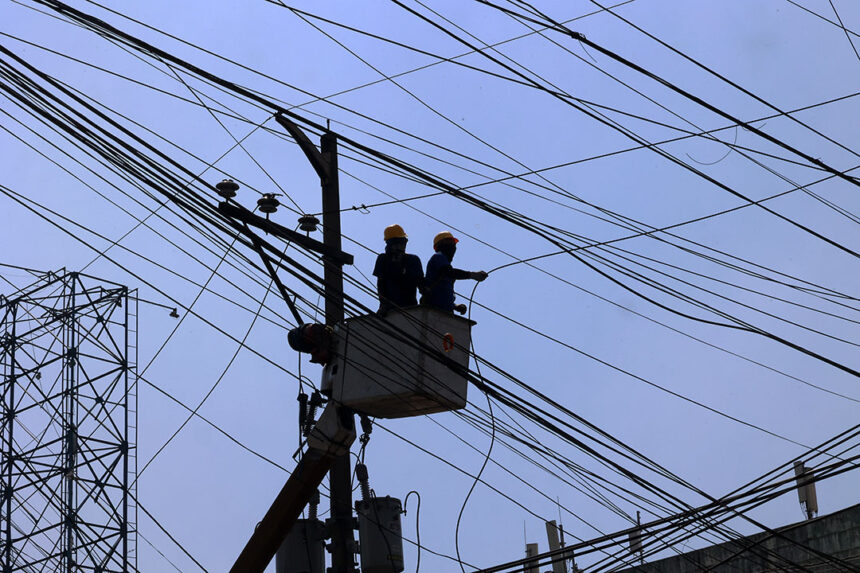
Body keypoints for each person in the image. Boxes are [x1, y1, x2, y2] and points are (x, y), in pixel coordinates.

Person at [422, 231, 487, 314]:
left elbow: (443, 292)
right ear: (441, 245)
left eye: (454, 244)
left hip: (444, 311)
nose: (453, 246)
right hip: (433, 309)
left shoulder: (444, 265)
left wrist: (455, 306)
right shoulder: (438, 257)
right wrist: (472, 275)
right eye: (449, 242)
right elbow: (449, 272)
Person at [373, 224, 424, 315]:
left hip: (410, 309)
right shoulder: (383, 259)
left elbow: (421, 284)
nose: (403, 245)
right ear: (391, 244)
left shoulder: (412, 260)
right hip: (390, 309)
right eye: (401, 242)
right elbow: (380, 284)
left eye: (404, 242)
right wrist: (384, 304)